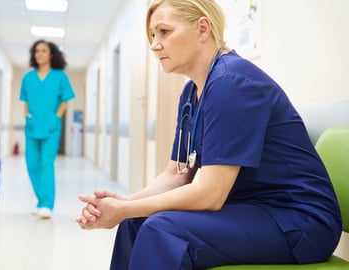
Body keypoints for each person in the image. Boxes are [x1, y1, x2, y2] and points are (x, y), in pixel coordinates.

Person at [76, 0, 342, 269]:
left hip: (299, 221)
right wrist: (124, 204)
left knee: (161, 229)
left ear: (202, 28)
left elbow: (211, 195)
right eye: (153, 35)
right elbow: (175, 176)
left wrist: (124, 210)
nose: (155, 44)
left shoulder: (232, 82)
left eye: (164, 32)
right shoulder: (192, 92)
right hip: (250, 210)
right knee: (135, 222)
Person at [20, 40, 75, 219]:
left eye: (44, 51)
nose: (40, 54)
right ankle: (40, 201)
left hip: (51, 127)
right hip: (32, 126)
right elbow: (25, 100)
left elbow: (65, 100)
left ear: (51, 54)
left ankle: (47, 204)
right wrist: (26, 115)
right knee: (32, 164)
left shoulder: (60, 76)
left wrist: (56, 117)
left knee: (47, 164)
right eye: (37, 51)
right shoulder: (28, 77)